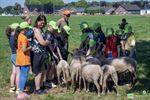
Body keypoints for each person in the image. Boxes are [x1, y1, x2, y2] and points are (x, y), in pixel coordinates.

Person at [31, 15, 51, 94]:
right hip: (37, 54)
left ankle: (41, 85)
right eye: (40, 22)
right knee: (39, 72)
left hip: (42, 53)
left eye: (43, 23)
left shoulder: (41, 30)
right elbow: (42, 42)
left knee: (43, 71)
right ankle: (37, 89)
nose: (42, 24)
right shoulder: (36, 30)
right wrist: (48, 42)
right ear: (37, 21)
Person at [15, 22, 32, 99]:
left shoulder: (19, 36)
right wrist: (30, 47)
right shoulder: (24, 38)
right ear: (24, 29)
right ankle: (21, 93)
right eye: (27, 28)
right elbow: (25, 50)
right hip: (24, 59)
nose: (28, 30)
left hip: (20, 58)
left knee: (22, 74)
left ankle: (21, 91)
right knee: (24, 75)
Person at [44, 20, 63, 88]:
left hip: (51, 54)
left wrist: (60, 57)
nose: (54, 30)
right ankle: (48, 81)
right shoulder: (48, 34)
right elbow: (49, 45)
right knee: (51, 67)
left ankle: (48, 80)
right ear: (50, 26)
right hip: (48, 54)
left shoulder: (51, 34)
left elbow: (55, 46)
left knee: (50, 67)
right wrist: (53, 54)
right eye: (53, 28)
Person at [5, 23, 20, 94]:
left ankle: (12, 87)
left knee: (13, 72)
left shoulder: (10, 36)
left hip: (13, 55)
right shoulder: (16, 37)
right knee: (18, 73)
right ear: (16, 29)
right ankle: (18, 88)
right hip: (17, 55)